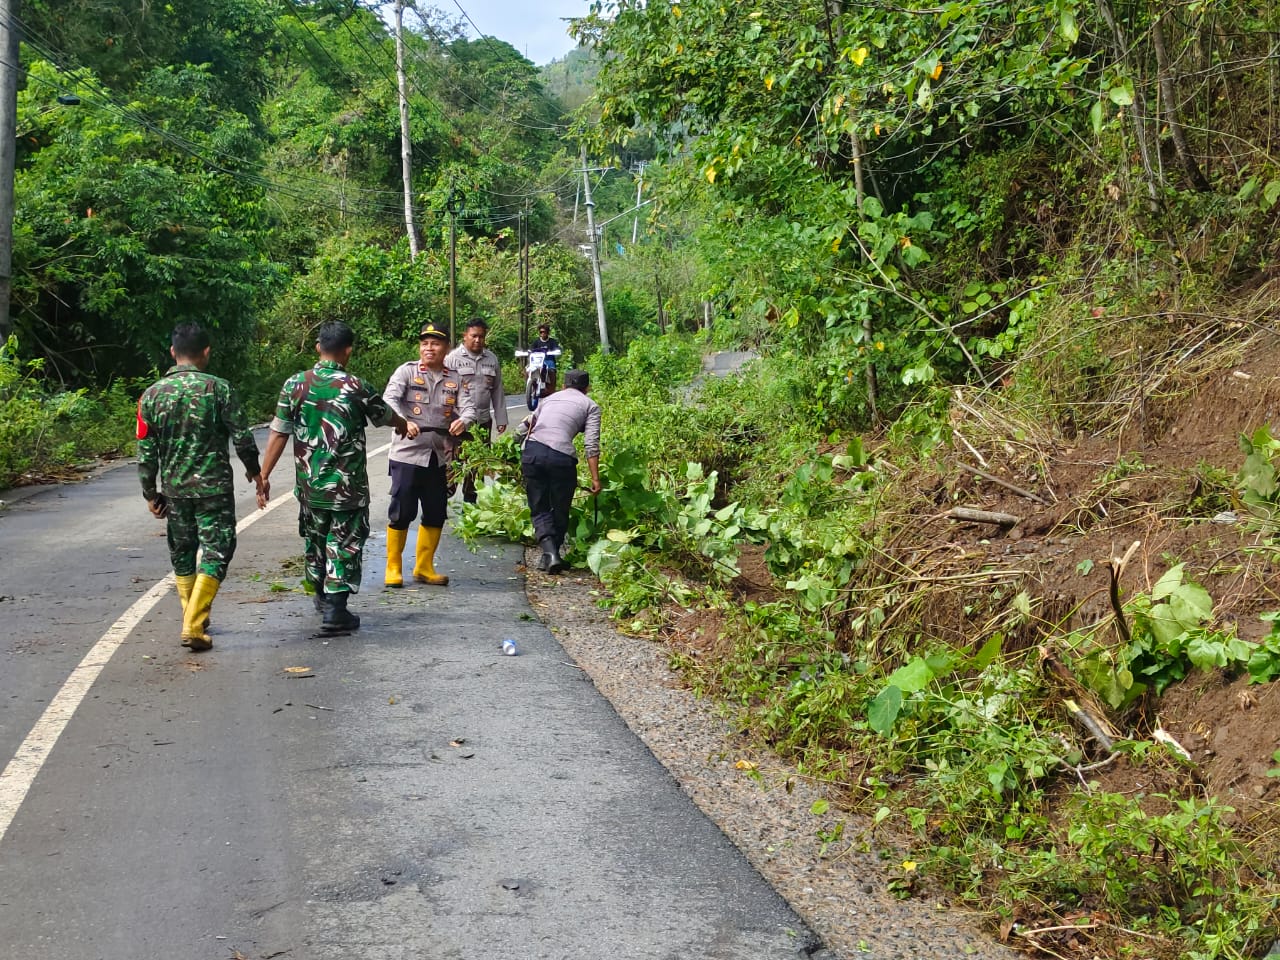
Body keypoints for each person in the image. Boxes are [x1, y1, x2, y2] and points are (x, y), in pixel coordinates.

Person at [258, 321, 414, 632]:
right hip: (347, 488)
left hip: (310, 486)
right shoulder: (356, 387)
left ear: (318, 347)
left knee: (316, 539)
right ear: (348, 351)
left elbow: (278, 432)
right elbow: (385, 416)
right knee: (344, 543)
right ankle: (336, 610)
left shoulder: (295, 385)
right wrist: (402, 425)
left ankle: (320, 594)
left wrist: (263, 476)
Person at [136, 322, 264, 652]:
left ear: (172, 352)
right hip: (214, 489)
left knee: (182, 552)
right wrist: (256, 473)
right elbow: (242, 437)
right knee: (217, 550)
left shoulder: (151, 395)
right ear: (206, 352)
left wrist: (150, 493)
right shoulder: (219, 389)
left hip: (175, 491)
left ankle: (192, 617)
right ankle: (193, 622)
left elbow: (146, 451)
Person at [381, 322, 476, 588]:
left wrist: (464, 421)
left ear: (446, 348)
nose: (429, 348)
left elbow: (469, 407)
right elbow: (388, 400)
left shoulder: (455, 378)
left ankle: (424, 567)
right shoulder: (407, 372)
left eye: (435, 343)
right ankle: (393, 567)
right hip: (407, 454)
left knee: (435, 511)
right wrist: (402, 421)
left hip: (438, 455)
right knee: (401, 511)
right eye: (425, 343)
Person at [516, 369, 601, 573]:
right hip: (561, 459)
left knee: (539, 507)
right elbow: (591, 445)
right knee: (560, 508)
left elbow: (524, 427)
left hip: (533, 453)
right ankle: (553, 555)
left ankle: (549, 554)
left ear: (563, 386)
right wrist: (595, 479)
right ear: (587, 388)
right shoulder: (591, 406)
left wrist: (512, 445)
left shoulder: (548, 400)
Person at [445, 317, 507, 504]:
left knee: (477, 465)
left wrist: (501, 419)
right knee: (453, 465)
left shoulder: (491, 359)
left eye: (481, 336)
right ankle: (440, 502)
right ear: (465, 336)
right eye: (474, 336)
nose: (478, 340)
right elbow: (444, 390)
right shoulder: (453, 359)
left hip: (482, 422)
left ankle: (470, 505)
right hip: (457, 424)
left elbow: (497, 390)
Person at [528, 323, 561, 392]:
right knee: (527, 369)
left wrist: (556, 351)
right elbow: (531, 349)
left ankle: (552, 388)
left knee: (551, 371)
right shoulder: (536, 341)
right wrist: (529, 352)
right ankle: (530, 385)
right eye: (541, 332)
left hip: (548, 360)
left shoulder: (552, 341)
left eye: (544, 332)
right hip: (537, 361)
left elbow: (557, 349)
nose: (542, 333)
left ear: (547, 332)